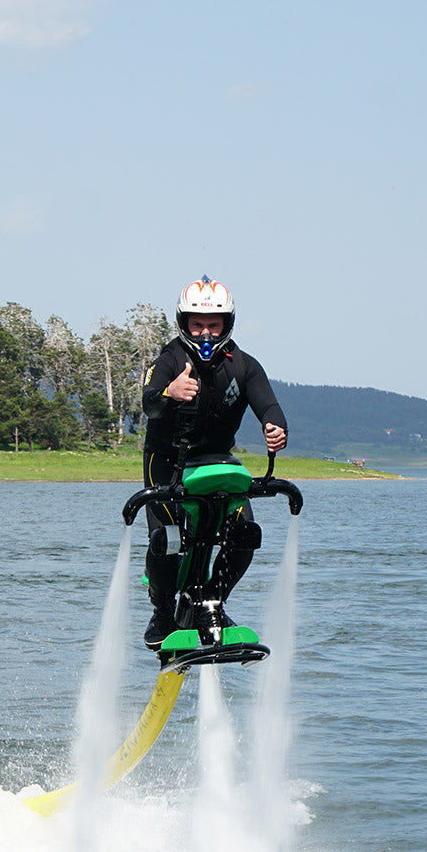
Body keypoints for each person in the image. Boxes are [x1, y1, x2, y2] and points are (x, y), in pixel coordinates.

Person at [140, 275, 288, 651]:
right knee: (166, 540)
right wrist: (170, 393)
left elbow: (270, 407)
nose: (205, 333)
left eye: (214, 325)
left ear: (227, 325)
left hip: (216, 461)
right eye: (197, 324)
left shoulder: (244, 365)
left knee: (246, 534)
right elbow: (149, 401)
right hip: (167, 460)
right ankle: (162, 612)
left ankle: (211, 600)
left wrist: (276, 428)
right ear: (184, 323)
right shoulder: (170, 358)